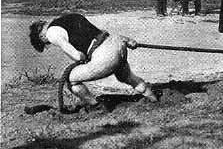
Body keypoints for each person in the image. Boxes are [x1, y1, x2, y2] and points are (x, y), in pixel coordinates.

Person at [28, 13, 157, 109]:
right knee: (126, 77)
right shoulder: (68, 17)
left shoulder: (51, 33)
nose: (48, 44)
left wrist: (81, 60)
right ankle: (151, 97)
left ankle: (95, 106)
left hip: (104, 55)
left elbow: (78, 56)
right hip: (115, 42)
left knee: (71, 79)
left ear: (41, 36)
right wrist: (126, 40)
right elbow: (98, 32)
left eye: (45, 43)